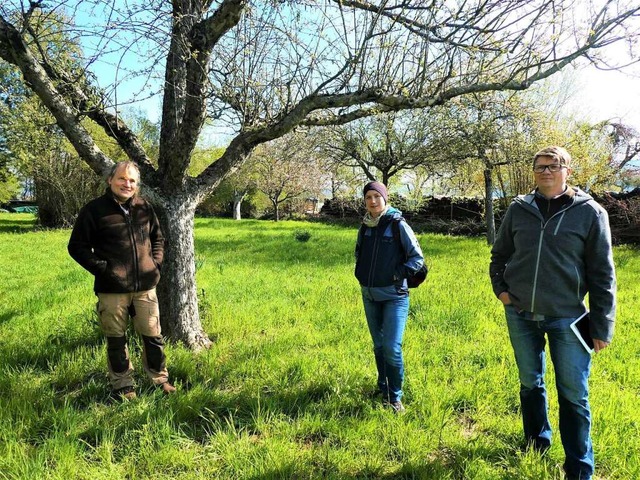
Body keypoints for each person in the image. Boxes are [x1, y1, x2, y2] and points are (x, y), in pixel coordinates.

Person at [490, 146, 616, 480]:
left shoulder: (591, 213)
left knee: (574, 394)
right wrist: (501, 290)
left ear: (568, 171)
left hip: (569, 318)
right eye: (540, 167)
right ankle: (536, 444)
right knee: (530, 383)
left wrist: (602, 324)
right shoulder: (519, 209)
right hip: (519, 312)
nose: (546, 171)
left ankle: (579, 467)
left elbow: (603, 273)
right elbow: (499, 254)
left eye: (554, 166)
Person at [68, 161, 175, 400]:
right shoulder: (94, 210)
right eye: (122, 179)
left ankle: (160, 378)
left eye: (132, 181)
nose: (127, 184)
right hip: (111, 288)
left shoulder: (144, 208)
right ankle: (123, 385)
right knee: (116, 339)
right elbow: (77, 247)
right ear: (110, 180)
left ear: (137, 185)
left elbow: (158, 239)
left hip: (146, 287)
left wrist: (155, 266)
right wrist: (104, 269)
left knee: (153, 336)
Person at [355, 181, 425, 414]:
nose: (372, 201)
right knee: (378, 346)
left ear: (385, 198)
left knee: (391, 347)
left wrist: (396, 276)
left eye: (377, 196)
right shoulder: (365, 226)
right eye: (368, 197)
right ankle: (382, 386)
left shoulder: (397, 225)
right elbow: (359, 254)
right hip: (369, 295)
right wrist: (361, 275)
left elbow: (417, 259)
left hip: (395, 296)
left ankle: (394, 397)